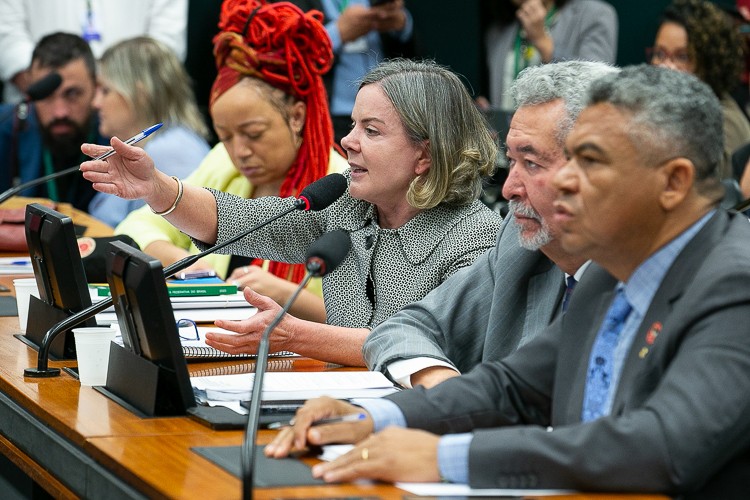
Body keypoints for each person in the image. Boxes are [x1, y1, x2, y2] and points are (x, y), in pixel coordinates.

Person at [266, 65, 750, 498]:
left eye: (591, 162)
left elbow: (663, 446)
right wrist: (375, 418)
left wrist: (447, 458)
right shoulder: (610, 273)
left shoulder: (736, 283)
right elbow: (511, 387)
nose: (565, 182)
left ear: (674, 183)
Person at [81, 57, 502, 367]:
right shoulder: (349, 204)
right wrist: (155, 187)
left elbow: (428, 345)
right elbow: (244, 221)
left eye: (371, 130)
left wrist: (297, 336)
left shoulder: (475, 236)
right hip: (333, 400)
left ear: (425, 154)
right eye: (353, 125)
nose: (348, 141)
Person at [363, 60, 617, 389]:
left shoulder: (648, 275)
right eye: (511, 160)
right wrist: (444, 387)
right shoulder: (521, 241)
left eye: (532, 163)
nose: (509, 189)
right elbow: (404, 328)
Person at [114, 0, 345, 324]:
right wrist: (182, 260)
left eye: (253, 134)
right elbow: (137, 225)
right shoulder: (223, 164)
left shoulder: (339, 188)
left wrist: (285, 294)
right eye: (225, 137)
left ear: (296, 116)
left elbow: (367, 323)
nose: (239, 151)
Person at [87, 37, 210, 228]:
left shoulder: (171, 151)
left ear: (140, 94)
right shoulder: (156, 145)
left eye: (105, 90)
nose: (95, 103)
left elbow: (171, 238)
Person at [281, 0, 417, 144]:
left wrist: (401, 23)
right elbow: (285, 56)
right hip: (333, 117)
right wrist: (335, 34)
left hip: (391, 111)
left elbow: (414, 55)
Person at [0, 0, 188, 104]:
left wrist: (112, 95)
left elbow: (164, 46)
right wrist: (65, 94)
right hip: (43, 112)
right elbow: (8, 40)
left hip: (131, 108)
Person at [0, 32, 107, 211]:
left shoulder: (115, 130)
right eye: (47, 95)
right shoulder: (6, 126)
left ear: (96, 87)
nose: (60, 112)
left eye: (72, 94)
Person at [650, 0, 750, 180]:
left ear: (711, 63)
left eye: (682, 57)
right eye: (659, 54)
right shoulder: (655, 107)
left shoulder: (726, 123)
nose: (665, 66)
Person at [482, 0, 618, 112]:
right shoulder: (498, 30)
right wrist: (491, 115)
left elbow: (596, 83)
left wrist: (541, 41)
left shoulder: (596, 14)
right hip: (512, 133)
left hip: (567, 133)